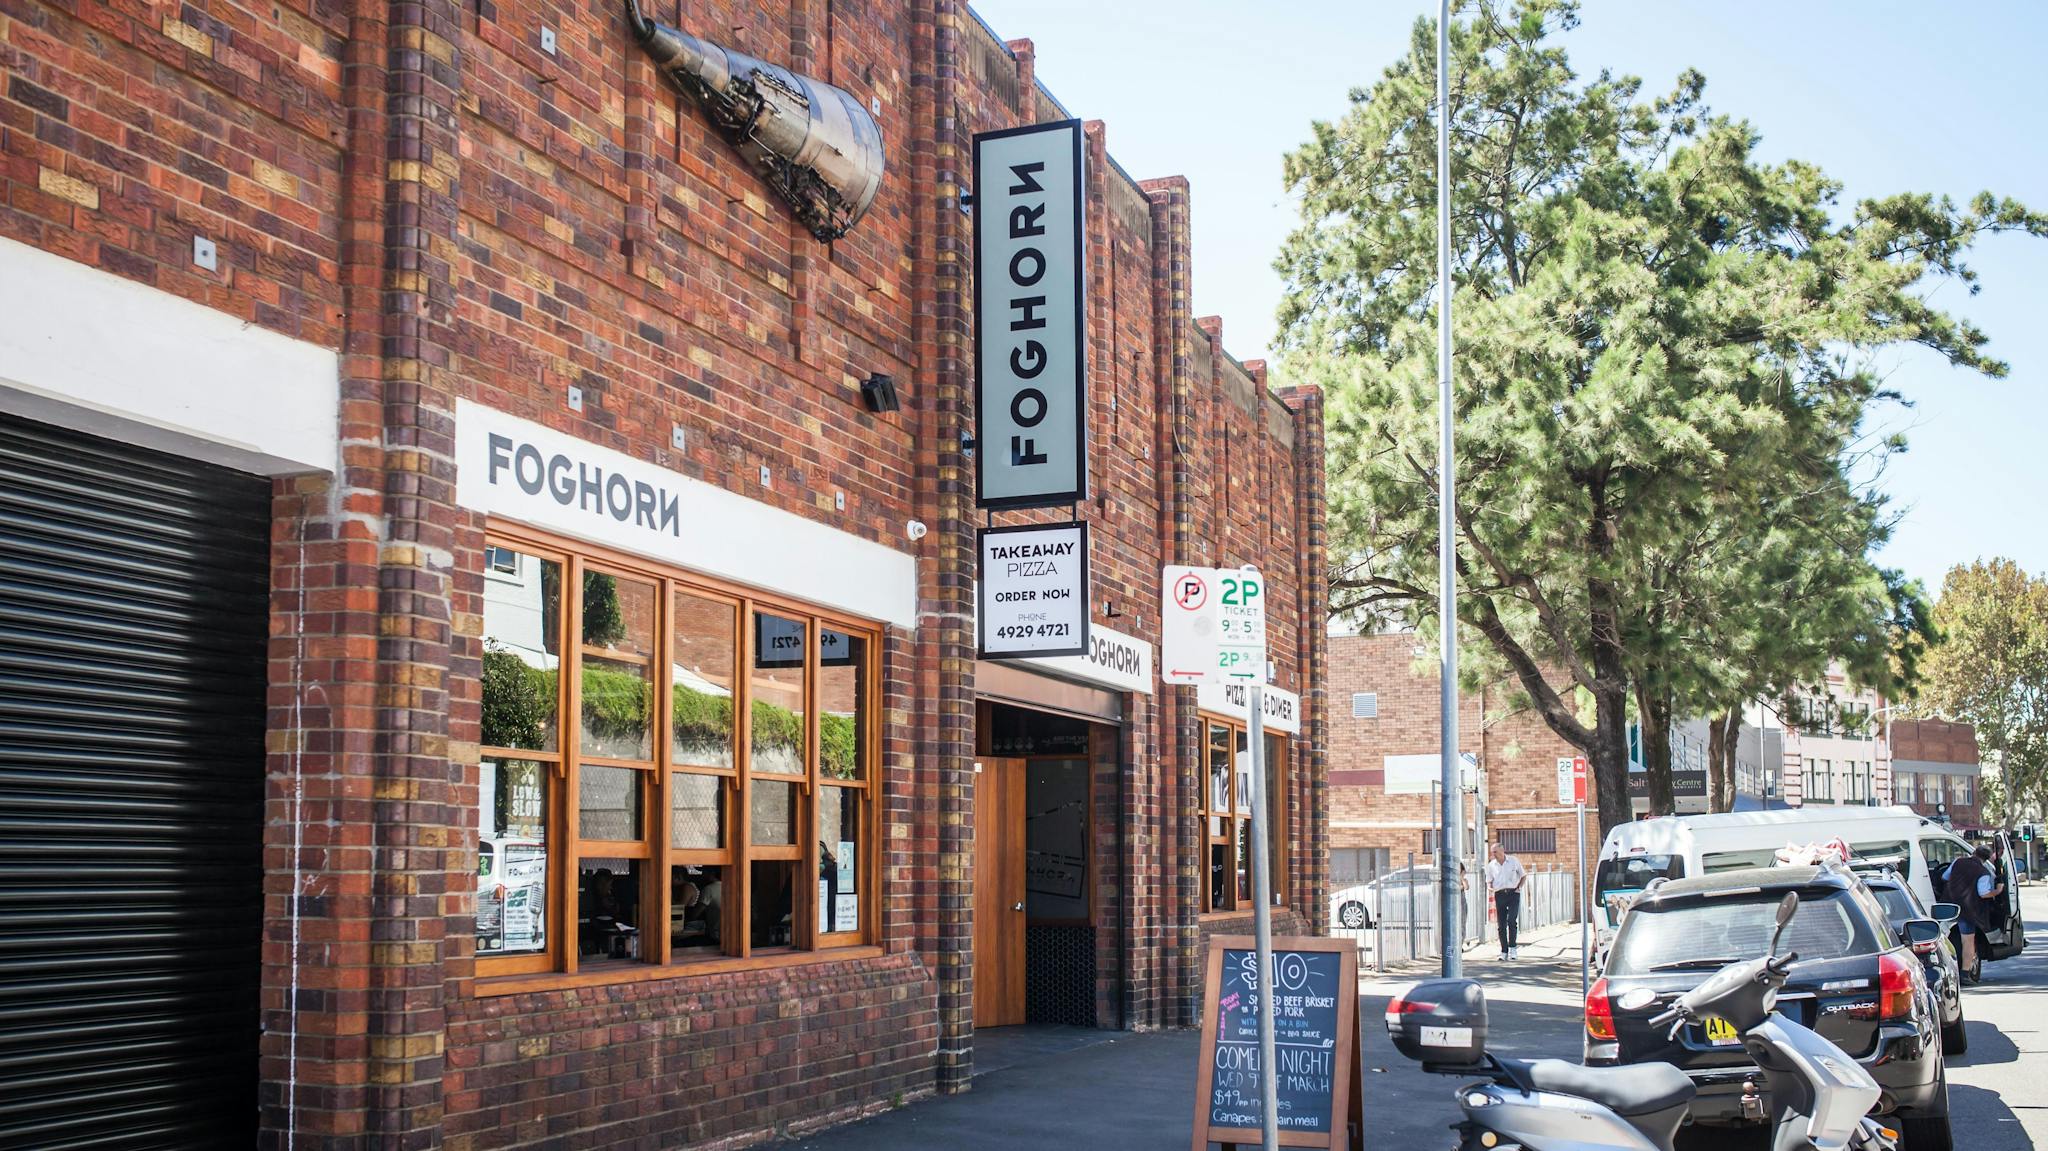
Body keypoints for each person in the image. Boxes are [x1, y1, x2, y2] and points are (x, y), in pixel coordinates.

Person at [1944, 845, 2004, 982]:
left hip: (1948, 907)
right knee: (1968, 942)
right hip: (1968, 910)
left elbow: (1945, 876)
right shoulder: (1983, 872)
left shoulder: (1958, 862)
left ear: (1973, 852)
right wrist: (1998, 891)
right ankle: (1965, 973)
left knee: (1943, 939)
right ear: (1987, 859)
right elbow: (1984, 894)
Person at [1485, 842, 1528, 960]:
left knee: (1512, 920)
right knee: (1501, 924)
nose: (1493, 854)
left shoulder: (1513, 861)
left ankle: (1513, 948)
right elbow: (1489, 880)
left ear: (1502, 851)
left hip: (1513, 893)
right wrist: (1490, 887)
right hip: (1499, 894)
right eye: (1492, 852)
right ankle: (1504, 951)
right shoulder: (1491, 865)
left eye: (1495, 852)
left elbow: (1523, 875)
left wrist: (1519, 888)